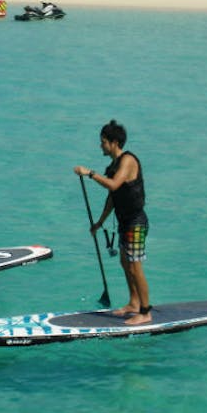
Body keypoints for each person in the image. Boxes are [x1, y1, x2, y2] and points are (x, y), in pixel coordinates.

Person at [74, 120, 151, 325]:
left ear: (114, 142)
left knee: (135, 266)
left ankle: (145, 311)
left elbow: (115, 185)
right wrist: (99, 222)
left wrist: (90, 173)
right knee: (125, 263)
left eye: (103, 142)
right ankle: (134, 303)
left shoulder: (127, 161)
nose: (101, 146)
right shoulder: (113, 166)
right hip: (124, 222)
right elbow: (112, 197)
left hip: (136, 222)